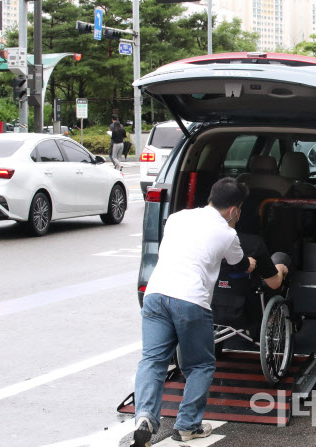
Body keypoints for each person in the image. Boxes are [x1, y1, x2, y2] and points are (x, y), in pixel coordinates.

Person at [132, 178, 257, 446]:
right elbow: (238, 265)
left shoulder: (177, 218)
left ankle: (144, 416)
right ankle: (188, 425)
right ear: (235, 210)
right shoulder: (228, 233)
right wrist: (251, 263)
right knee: (200, 365)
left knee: (152, 360)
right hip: (190, 301)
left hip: (155, 294)